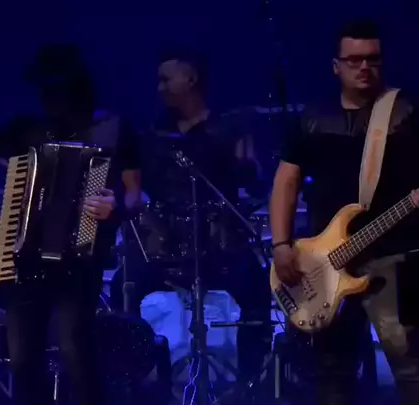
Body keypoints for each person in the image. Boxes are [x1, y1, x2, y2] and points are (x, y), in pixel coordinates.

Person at [0, 43, 142, 405]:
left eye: (57, 90)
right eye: (45, 91)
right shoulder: (26, 129)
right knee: (23, 358)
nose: (50, 99)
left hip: (82, 260)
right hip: (26, 258)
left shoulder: (113, 129)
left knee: (75, 350)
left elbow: (135, 195)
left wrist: (115, 205)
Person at [270, 20, 419, 405]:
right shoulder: (310, 119)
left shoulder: (407, 114)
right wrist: (282, 245)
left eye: (372, 59)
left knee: (411, 371)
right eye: (354, 59)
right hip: (326, 262)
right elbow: (286, 182)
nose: (364, 67)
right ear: (336, 66)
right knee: (332, 376)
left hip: (396, 259)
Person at [109, 48, 273, 384]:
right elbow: (133, 192)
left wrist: (249, 168)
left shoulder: (228, 127)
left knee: (258, 288)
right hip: (164, 248)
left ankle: (251, 384)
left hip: (219, 247)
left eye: (166, 80)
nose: (159, 88)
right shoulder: (151, 134)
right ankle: (135, 382)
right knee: (121, 288)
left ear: (191, 79)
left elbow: (256, 188)